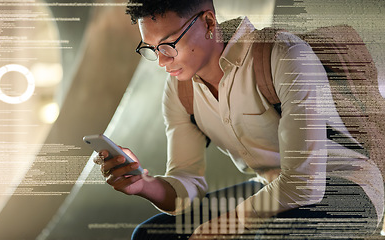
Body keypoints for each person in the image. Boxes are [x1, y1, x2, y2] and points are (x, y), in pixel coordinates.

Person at [96, 0, 384, 239]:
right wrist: (143, 184)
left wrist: (221, 227)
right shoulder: (179, 89)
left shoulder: (283, 55)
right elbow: (187, 185)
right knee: (151, 235)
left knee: (273, 236)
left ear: (209, 23)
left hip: (346, 187)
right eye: (152, 48)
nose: (161, 61)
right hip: (269, 187)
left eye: (169, 45)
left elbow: (304, 185)